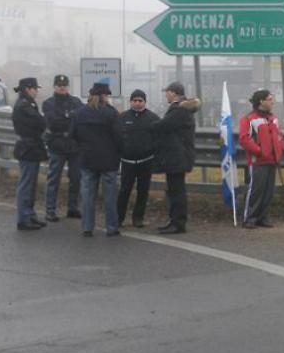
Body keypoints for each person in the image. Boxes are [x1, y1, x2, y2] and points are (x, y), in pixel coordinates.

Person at [70, 82, 123, 237]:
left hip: (87, 159)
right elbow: (119, 137)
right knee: (110, 196)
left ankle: (87, 227)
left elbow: (72, 135)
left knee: (87, 195)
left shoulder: (80, 113)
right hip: (108, 160)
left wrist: (81, 149)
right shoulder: (111, 113)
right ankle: (111, 227)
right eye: (107, 95)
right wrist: (119, 153)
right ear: (103, 96)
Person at [152, 82, 200, 235]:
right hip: (178, 156)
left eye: (167, 92)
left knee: (177, 191)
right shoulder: (182, 108)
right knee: (174, 190)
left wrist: (147, 125)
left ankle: (178, 223)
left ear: (173, 93)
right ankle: (174, 221)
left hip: (178, 157)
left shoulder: (179, 110)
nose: (165, 94)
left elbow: (163, 125)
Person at [240, 89, 284, 228]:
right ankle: (250, 218)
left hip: (272, 160)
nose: (273, 101)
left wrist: (280, 149)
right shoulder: (249, 119)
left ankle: (262, 217)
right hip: (258, 161)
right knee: (256, 190)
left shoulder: (273, 118)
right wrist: (260, 152)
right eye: (270, 99)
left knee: (268, 191)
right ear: (261, 101)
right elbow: (244, 139)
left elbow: (279, 136)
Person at [42, 73, 83, 221]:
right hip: (57, 143)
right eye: (59, 86)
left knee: (76, 178)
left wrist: (67, 118)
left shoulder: (76, 102)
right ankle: (50, 210)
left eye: (64, 85)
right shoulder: (48, 103)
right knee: (54, 178)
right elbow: (53, 122)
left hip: (74, 144)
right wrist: (69, 117)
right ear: (54, 87)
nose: (62, 88)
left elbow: (80, 119)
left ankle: (72, 208)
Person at [117, 89, 158, 228]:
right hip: (127, 162)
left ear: (145, 102)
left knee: (143, 191)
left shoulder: (153, 118)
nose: (137, 103)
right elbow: (117, 137)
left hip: (146, 161)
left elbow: (158, 138)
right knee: (124, 190)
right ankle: (119, 218)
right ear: (130, 102)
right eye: (134, 100)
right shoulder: (122, 117)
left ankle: (138, 218)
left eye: (140, 101)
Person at [11, 77, 47, 230]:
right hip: (28, 146)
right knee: (26, 184)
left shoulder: (29, 103)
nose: (37, 91)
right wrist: (42, 121)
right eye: (35, 88)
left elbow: (40, 123)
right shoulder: (23, 105)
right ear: (28, 88)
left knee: (31, 184)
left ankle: (30, 215)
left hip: (32, 146)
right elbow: (40, 122)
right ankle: (23, 219)